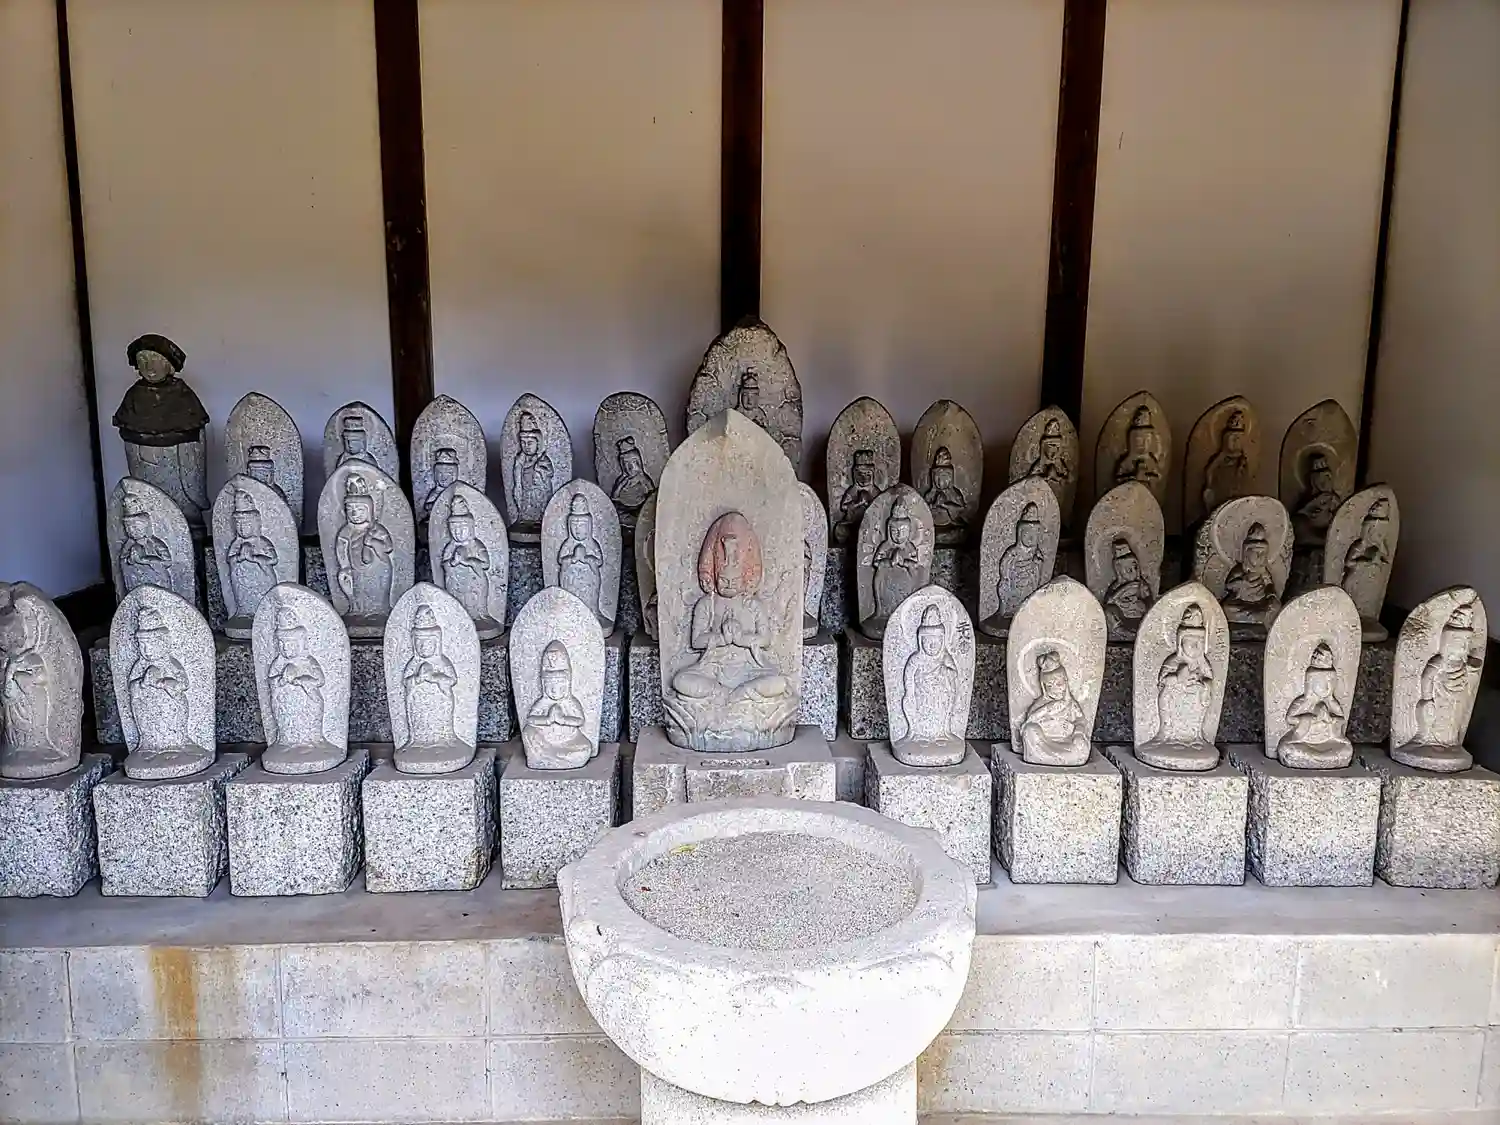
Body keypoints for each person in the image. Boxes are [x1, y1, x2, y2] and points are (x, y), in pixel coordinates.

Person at [670, 511, 792, 707]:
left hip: (749, 667)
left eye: (734, 581)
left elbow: (766, 639)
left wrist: (742, 639)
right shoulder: (707, 604)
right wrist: (721, 639)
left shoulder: (753, 605)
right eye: (723, 580)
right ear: (713, 576)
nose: (728, 585)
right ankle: (724, 693)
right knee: (680, 680)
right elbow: (696, 641)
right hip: (713, 667)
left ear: (745, 578)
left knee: (779, 683)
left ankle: (738, 693)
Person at [112, 333, 208, 527]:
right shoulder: (133, 397)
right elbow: (129, 439)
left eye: (155, 359)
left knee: (185, 517)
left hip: (179, 467)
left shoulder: (183, 396)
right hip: (144, 467)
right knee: (150, 515)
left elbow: (196, 440)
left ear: (169, 364)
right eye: (142, 360)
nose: (149, 366)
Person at [1411, 599, 1482, 748]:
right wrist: (1427, 698)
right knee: (1437, 718)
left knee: (1453, 719)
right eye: (1458, 642)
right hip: (1439, 697)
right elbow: (1427, 676)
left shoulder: (1463, 664)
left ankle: (1449, 742)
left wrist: (1471, 670)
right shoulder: (1439, 661)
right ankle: (1428, 739)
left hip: (1455, 700)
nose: (1462, 647)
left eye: (1466, 643)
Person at [1276, 641, 1352, 767]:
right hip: (1303, 741)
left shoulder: (1332, 703)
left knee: (1346, 750)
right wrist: (1309, 719)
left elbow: (1341, 720)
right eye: (1322, 681)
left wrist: (1330, 720)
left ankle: (1318, 759)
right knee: (1287, 749)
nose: (1327, 686)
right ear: (1310, 682)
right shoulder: (1302, 702)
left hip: (1328, 741)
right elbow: (1290, 719)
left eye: (1330, 681)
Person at [521, 641, 593, 768]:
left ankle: (551, 756)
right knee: (528, 732)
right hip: (545, 739)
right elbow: (531, 719)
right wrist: (547, 720)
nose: (555, 691)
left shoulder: (570, 702)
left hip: (569, 739)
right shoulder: (543, 702)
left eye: (560, 688)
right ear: (544, 686)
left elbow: (580, 720)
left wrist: (563, 720)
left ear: (567, 685)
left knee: (585, 748)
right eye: (551, 688)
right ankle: (544, 757)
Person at [897, 604, 960, 747]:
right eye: (928, 641)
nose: (932, 645)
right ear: (921, 641)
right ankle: (919, 734)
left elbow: (954, 674)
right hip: (922, 696)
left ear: (942, 641)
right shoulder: (916, 659)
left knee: (940, 712)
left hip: (940, 697)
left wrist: (944, 671)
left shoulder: (944, 657)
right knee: (921, 712)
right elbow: (908, 675)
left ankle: (941, 733)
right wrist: (910, 691)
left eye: (936, 641)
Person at [266, 605, 327, 750]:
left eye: (291, 644)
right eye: (282, 645)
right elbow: (271, 681)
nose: (286, 649)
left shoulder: (309, 662)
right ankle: (286, 740)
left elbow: (320, 680)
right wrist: (282, 680)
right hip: (285, 704)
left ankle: (312, 739)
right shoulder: (278, 663)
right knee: (285, 718)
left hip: (307, 699)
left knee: (313, 710)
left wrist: (304, 680)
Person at [334, 475, 394, 620]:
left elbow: (388, 547)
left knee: (377, 590)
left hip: (378, 566)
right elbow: (341, 550)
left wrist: (372, 542)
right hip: (356, 568)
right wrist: (345, 566)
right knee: (359, 589)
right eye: (350, 510)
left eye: (360, 509)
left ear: (369, 511)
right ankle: (359, 610)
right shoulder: (346, 531)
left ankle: (379, 610)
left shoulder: (377, 529)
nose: (355, 514)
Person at [1018, 650, 1089, 766]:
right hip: (1044, 742)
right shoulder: (1040, 705)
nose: (1057, 688)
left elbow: (1081, 721)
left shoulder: (1071, 704)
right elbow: (1030, 721)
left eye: (1060, 683)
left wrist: (1077, 731)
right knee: (1029, 730)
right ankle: (1042, 756)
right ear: (1044, 687)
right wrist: (1048, 715)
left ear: (1066, 682)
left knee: (1080, 743)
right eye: (1051, 685)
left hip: (1066, 742)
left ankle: (1061, 757)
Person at [402, 605, 458, 747]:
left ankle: (443, 739)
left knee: (440, 717)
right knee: (420, 719)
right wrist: (417, 679)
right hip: (419, 702)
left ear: (436, 643)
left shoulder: (442, 662)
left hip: (438, 701)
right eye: (419, 644)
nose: (423, 647)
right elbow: (405, 681)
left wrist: (436, 678)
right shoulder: (413, 663)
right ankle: (417, 740)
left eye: (427, 644)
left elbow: (452, 680)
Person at [226, 489, 279, 622]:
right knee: (243, 596)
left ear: (255, 524)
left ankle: (265, 610)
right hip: (242, 580)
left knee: (263, 598)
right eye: (239, 524)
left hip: (261, 578)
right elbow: (229, 559)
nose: (242, 528)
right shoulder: (236, 543)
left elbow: (273, 559)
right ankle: (244, 611)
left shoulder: (262, 542)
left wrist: (254, 558)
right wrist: (239, 558)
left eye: (247, 524)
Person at [869, 496, 922, 631]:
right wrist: (890, 562)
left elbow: (915, 564)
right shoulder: (885, 546)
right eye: (894, 531)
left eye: (903, 531)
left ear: (909, 531)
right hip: (887, 581)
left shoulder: (910, 547)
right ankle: (880, 611)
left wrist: (904, 562)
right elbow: (876, 563)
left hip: (904, 581)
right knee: (880, 575)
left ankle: (908, 611)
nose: (898, 535)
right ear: (888, 530)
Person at [440, 494, 493, 626]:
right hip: (456, 582)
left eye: (462, 529)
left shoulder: (476, 545)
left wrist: (468, 562)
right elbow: (444, 564)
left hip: (474, 581)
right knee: (458, 601)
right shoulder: (450, 547)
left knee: (474, 598)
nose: (458, 533)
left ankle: (478, 616)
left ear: (470, 529)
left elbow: (486, 564)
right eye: (454, 529)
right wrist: (452, 563)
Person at [992, 503, 1047, 622]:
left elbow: (1039, 568)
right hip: (1014, 581)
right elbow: (1005, 564)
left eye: (1034, 534)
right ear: (1020, 533)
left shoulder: (1036, 553)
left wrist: (1037, 564)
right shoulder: (1014, 552)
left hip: (1029, 583)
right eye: (1028, 533)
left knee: (1029, 597)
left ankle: (1027, 611)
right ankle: (1006, 611)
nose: (1031, 538)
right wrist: (1007, 575)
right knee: (1006, 590)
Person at [557, 494, 605, 624]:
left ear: (589, 527)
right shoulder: (567, 544)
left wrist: (588, 560)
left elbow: (599, 561)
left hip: (588, 581)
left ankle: (592, 613)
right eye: (574, 526)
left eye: (582, 525)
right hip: (572, 581)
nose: (578, 530)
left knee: (589, 597)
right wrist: (571, 559)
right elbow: (561, 560)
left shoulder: (592, 544)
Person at [1222, 522, 1280, 627]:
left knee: (1274, 607)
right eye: (1255, 552)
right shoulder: (1239, 570)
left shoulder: (1263, 572)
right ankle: (1254, 617)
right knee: (1226, 608)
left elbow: (1269, 585)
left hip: (1259, 602)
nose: (1258, 556)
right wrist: (1241, 583)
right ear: (1246, 553)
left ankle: (1257, 616)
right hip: (1241, 601)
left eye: (1262, 553)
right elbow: (1228, 586)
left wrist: (1271, 595)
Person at [119, 493, 173, 594]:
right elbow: (123, 560)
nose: (132, 531)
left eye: (136, 527)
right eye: (128, 528)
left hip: (157, 580)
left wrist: (144, 560)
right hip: (136, 582)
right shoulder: (128, 544)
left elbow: (168, 562)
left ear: (146, 526)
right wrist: (130, 560)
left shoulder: (154, 543)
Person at [1202, 409, 1250, 515]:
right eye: (1233, 439)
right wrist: (1209, 484)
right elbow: (1210, 470)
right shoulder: (1221, 458)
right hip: (1223, 480)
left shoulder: (1242, 460)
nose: (1235, 442)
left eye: (1238, 439)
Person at [1102, 537, 1152, 637]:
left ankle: (1141, 630)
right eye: (1128, 570)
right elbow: (1109, 601)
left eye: (1135, 568)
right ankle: (1120, 630)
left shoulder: (1141, 585)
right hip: (1122, 613)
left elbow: (1149, 601)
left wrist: (1139, 603)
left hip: (1137, 612)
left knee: (1149, 612)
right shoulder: (1116, 586)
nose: (1133, 572)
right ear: (1119, 571)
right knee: (1108, 611)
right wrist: (1123, 591)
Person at [511, 412, 554, 528]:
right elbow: (517, 481)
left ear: (538, 443)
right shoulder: (520, 461)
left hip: (538, 493)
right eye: (523, 443)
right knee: (526, 512)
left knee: (538, 509)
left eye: (530, 443)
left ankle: (541, 520)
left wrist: (539, 470)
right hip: (525, 494)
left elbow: (549, 474)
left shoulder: (543, 460)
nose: (526, 446)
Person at [1293, 453, 1341, 545]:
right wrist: (1311, 511)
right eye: (1321, 481)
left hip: (1327, 530)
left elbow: (1340, 514)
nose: (1325, 483)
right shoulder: (1309, 499)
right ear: (1313, 481)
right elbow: (1302, 512)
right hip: (1311, 530)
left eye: (1328, 479)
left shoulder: (1333, 499)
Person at [924, 447, 968, 543]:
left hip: (950, 524)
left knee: (962, 532)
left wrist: (945, 505)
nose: (941, 481)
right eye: (938, 478)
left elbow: (962, 508)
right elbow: (924, 510)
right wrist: (933, 505)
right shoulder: (930, 494)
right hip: (934, 525)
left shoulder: (954, 494)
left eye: (944, 477)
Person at [835, 449, 880, 543]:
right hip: (853, 521)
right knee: (841, 528)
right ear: (854, 475)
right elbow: (843, 507)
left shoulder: (875, 491)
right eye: (860, 474)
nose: (863, 478)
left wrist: (868, 504)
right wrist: (858, 503)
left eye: (867, 474)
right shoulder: (853, 490)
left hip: (870, 523)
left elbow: (881, 507)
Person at [1114, 406, 1163, 486]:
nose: (1144, 443)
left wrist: (1147, 478)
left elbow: (1157, 477)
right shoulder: (1127, 462)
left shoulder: (1151, 461)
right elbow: (1119, 479)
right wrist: (1133, 477)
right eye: (1139, 439)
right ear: (1132, 440)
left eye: (1148, 439)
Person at [609, 435, 654, 516]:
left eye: (633, 462)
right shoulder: (622, 480)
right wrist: (621, 485)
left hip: (641, 506)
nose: (630, 467)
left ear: (639, 463)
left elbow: (652, 494)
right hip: (625, 507)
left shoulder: (642, 478)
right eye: (626, 463)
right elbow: (614, 497)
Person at [1026, 417, 1070, 483]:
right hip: (1045, 459)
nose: (1053, 429)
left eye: (1055, 428)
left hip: (1055, 459)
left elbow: (1059, 449)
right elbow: (1043, 445)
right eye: (1052, 428)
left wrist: (1055, 456)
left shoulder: (1058, 440)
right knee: (1032, 472)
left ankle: (1055, 478)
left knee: (1065, 472)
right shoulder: (1044, 441)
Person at [421, 447, 460, 522]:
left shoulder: (456, 492)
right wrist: (433, 505)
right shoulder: (435, 492)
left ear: (454, 476)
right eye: (440, 474)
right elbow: (427, 506)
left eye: (448, 475)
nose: (444, 478)